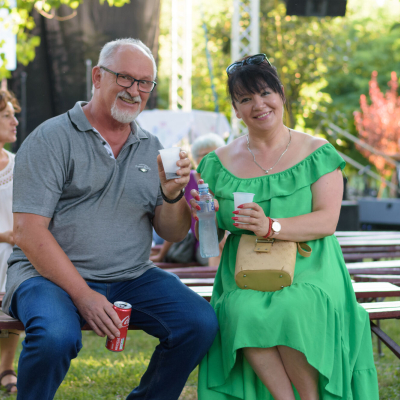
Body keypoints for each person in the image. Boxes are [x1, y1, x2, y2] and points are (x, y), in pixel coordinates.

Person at [2, 38, 218, 400]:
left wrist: (172, 194)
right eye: (125, 77)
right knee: (56, 336)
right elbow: (28, 231)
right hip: (44, 277)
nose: (134, 90)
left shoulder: (153, 147)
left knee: (199, 322)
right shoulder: (50, 139)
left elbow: (172, 231)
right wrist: (83, 295)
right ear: (97, 76)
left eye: (144, 82)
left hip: (131, 276)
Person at [190, 54, 379, 399]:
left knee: (294, 307)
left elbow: (327, 220)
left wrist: (270, 226)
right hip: (245, 272)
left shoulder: (318, 152)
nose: (258, 105)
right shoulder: (216, 164)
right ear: (236, 109)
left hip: (312, 266)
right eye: (245, 99)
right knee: (239, 310)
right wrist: (204, 215)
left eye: (265, 93)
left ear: (281, 95)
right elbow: (208, 236)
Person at [150, 133, 226, 266]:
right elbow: (175, 218)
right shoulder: (186, 180)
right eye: (205, 154)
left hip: (224, 239)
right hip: (202, 245)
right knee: (218, 246)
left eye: (216, 153)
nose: (211, 157)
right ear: (196, 158)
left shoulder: (226, 180)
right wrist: (161, 255)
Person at [0, 90, 21, 394]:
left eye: (14, 115)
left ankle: (6, 367)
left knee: (14, 260)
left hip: (15, 250)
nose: (15, 121)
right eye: (6, 115)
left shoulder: (20, 165)